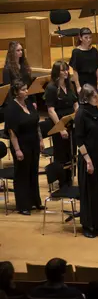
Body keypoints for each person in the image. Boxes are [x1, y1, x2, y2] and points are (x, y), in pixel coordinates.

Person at [75, 85, 98, 238]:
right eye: (95, 96)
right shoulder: (81, 114)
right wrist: (88, 160)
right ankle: (88, 225)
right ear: (86, 98)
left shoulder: (95, 111)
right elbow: (79, 139)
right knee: (90, 191)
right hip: (88, 157)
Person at [5, 80, 43, 216]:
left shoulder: (29, 103)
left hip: (33, 142)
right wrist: (17, 150)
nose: (26, 91)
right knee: (22, 174)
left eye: (26, 89)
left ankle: (35, 200)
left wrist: (40, 140)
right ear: (16, 92)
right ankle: (23, 205)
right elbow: (12, 132)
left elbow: (36, 123)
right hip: (21, 144)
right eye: (23, 90)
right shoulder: (11, 108)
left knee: (33, 172)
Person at [44, 61, 78, 186]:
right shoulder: (51, 88)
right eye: (63, 70)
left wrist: (78, 114)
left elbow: (75, 102)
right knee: (61, 153)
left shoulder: (69, 84)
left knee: (72, 151)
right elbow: (51, 110)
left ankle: (70, 178)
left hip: (71, 123)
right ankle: (62, 180)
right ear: (57, 72)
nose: (66, 72)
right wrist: (61, 128)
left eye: (67, 70)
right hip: (60, 125)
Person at [70, 28, 98, 92]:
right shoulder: (76, 52)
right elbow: (75, 71)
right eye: (86, 38)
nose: (89, 40)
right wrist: (78, 86)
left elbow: (97, 68)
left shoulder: (94, 50)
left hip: (93, 79)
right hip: (82, 80)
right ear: (80, 38)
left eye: (90, 37)